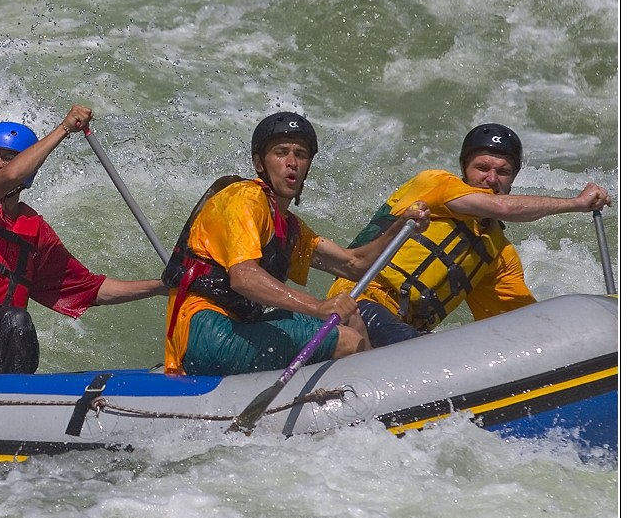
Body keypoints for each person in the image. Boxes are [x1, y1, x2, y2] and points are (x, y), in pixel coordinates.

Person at [0, 104, 167, 374]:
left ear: (28, 166)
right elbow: (11, 176)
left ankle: (12, 404)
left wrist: (160, 286)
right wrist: (64, 128)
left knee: (17, 320)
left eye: (8, 157)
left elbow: (92, 289)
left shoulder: (33, 230)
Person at [162, 111, 430, 377]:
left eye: (300, 155)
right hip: (207, 333)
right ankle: (376, 401)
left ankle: (376, 393)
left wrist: (399, 227)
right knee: (349, 340)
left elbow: (355, 265)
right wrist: (318, 307)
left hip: (237, 326)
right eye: (281, 153)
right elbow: (243, 277)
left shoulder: (289, 228)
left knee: (351, 316)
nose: (292, 163)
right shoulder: (245, 198)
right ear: (259, 163)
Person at [327, 123, 612, 346]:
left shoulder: (498, 254)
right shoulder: (435, 184)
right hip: (358, 304)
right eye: (482, 168)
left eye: (503, 172)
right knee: (422, 349)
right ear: (464, 168)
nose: (491, 179)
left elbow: (521, 326)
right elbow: (501, 207)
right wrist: (575, 203)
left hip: (407, 333)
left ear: (513, 178)